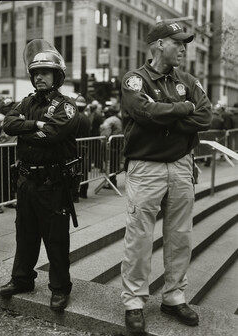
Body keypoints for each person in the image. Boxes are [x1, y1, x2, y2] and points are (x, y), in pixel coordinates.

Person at [121, 21, 212, 333]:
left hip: (182, 165)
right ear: (159, 44)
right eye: (177, 42)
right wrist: (182, 109)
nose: (183, 48)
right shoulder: (135, 79)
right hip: (146, 167)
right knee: (139, 237)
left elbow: (205, 116)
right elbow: (142, 112)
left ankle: (173, 296)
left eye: (184, 43)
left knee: (180, 235)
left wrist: (166, 117)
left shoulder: (188, 79)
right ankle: (134, 300)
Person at [0, 39, 80, 312]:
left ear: (57, 76)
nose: (39, 76)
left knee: (55, 238)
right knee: (25, 233)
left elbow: (52, 134)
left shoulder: (65, 106)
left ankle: (59, 288)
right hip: (26, 181)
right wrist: (35, 124)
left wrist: (30, 130)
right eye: (36, 73)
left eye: (45, 72)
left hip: (53, 183)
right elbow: (9, 124)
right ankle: (22, 279)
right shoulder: (27, 102)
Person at [100, 106, 122, 188]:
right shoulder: (117, 119)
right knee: (113, 164)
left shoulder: (110, 120)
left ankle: (111, 183)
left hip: (111, 145)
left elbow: (106, 133)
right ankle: (113, 182)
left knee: (110, 164)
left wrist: (103, 141)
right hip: (116, 144)